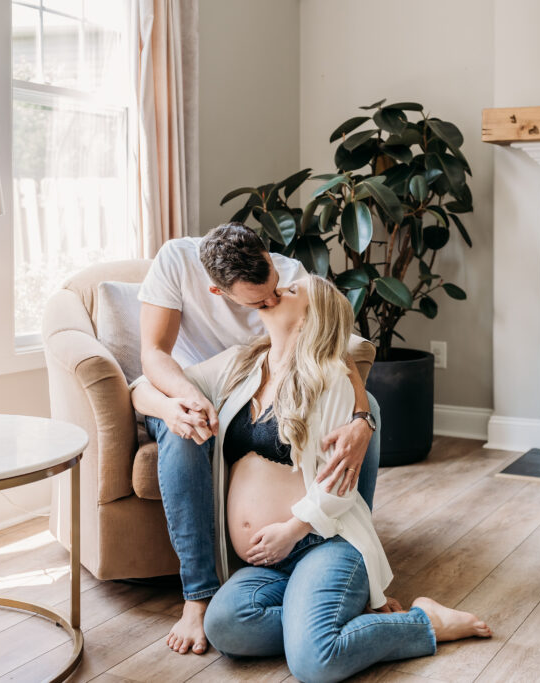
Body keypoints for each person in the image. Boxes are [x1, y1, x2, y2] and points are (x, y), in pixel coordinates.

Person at [131, 275, 491, 682]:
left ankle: (425, 621)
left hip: (323, 542)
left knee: (314, 663)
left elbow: (341, 484)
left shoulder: (330, 378)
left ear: (307, 320)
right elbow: (141, 387)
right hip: (265, 564)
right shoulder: (240, 364)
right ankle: (318, 619)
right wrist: (169, 409)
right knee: (224, 626)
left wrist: (291, 529)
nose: (274, 293)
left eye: (289, 292)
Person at [138, 223, 382, 655]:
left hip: (307, 531)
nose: (272, 299)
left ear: (269, 258)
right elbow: (146, 369)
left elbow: (332, 341)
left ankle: (347, 564)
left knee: (370, 411)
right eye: (260, 301)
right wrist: (178, 403)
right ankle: (226, 601)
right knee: (228, 626)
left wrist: (362, 416)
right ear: (220, 293)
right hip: (217, 388)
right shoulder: (237, 355)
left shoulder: (293, 280)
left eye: (278, 292)